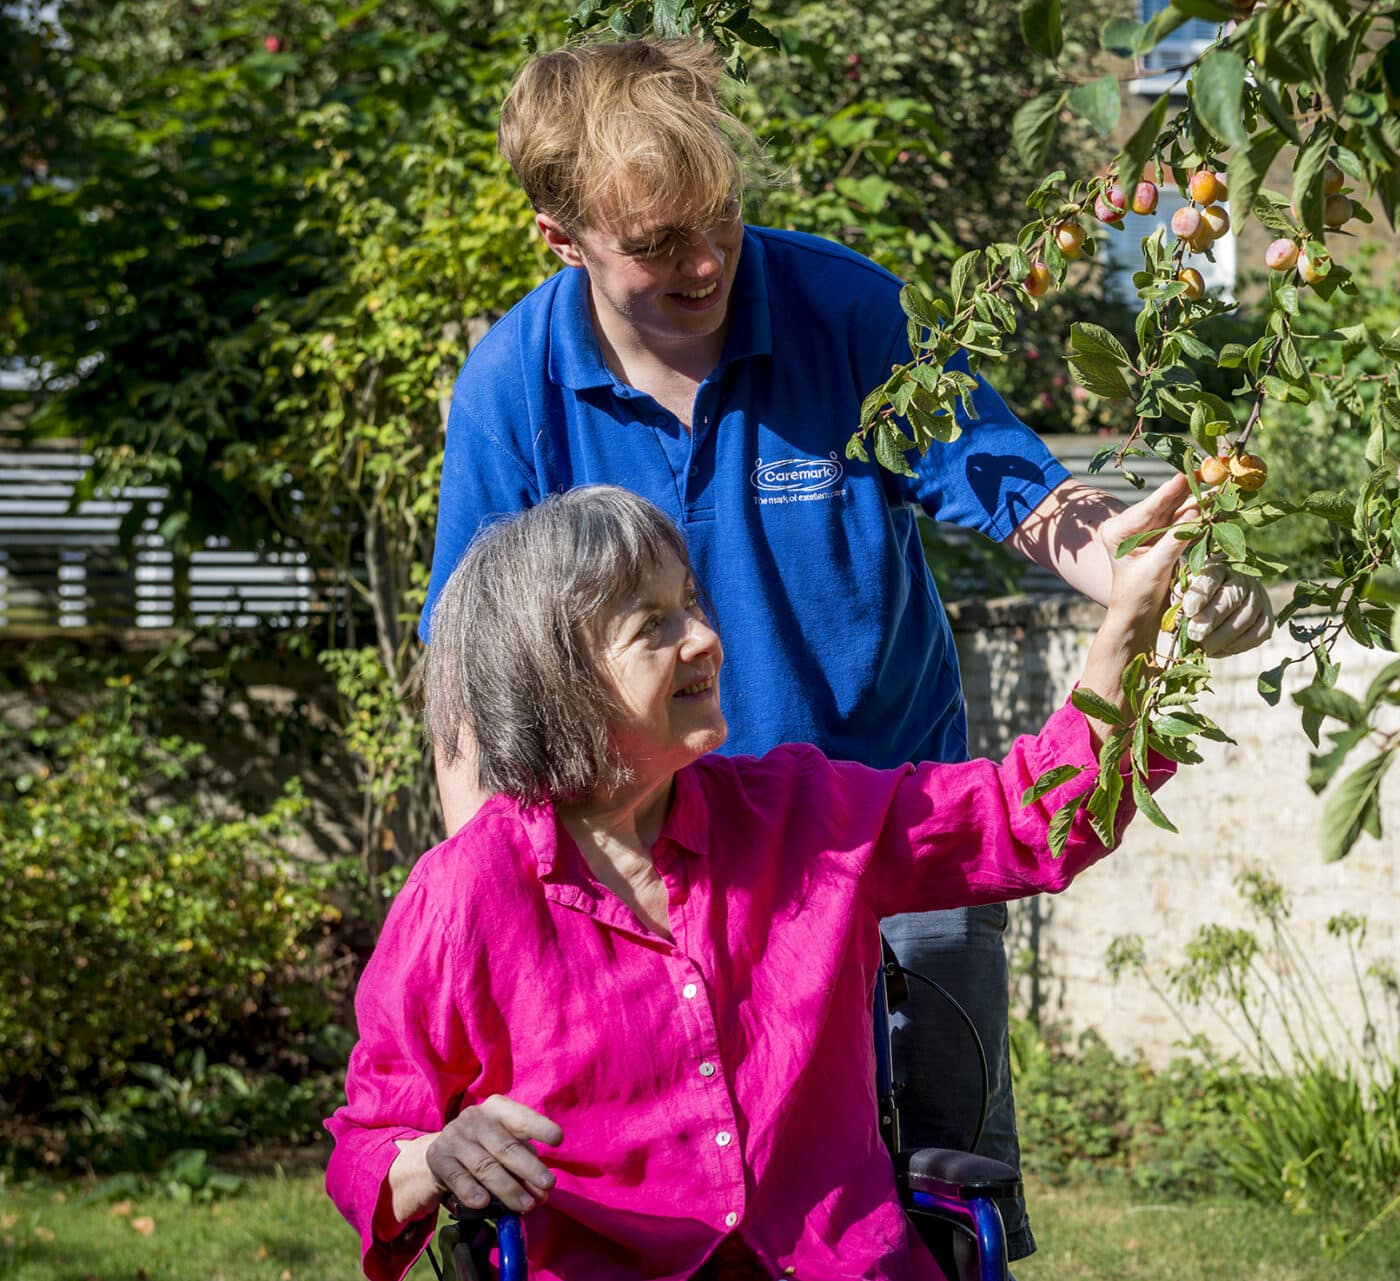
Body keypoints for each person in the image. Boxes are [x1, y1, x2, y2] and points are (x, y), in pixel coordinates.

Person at [421, 37, 1274, 1258]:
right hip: (658, 883)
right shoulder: (514, 387)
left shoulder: (844, 309)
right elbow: (472, 694)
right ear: (561, 235)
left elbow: (1015, 486)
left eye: (718, 216)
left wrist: (1150, 579)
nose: (708, 261)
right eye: (657, 244)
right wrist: (498, 917)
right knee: (685, 1210)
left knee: (936, 1196)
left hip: (889, 837)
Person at [331, 480, 1192, 1280]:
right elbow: (370, 1134)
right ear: (557, 683)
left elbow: (1024, 816)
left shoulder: (806, 815)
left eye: (691, 604)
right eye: (653, 624)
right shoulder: (468, 892)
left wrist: (1133, 635)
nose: (705, 637)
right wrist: (428, 1157)